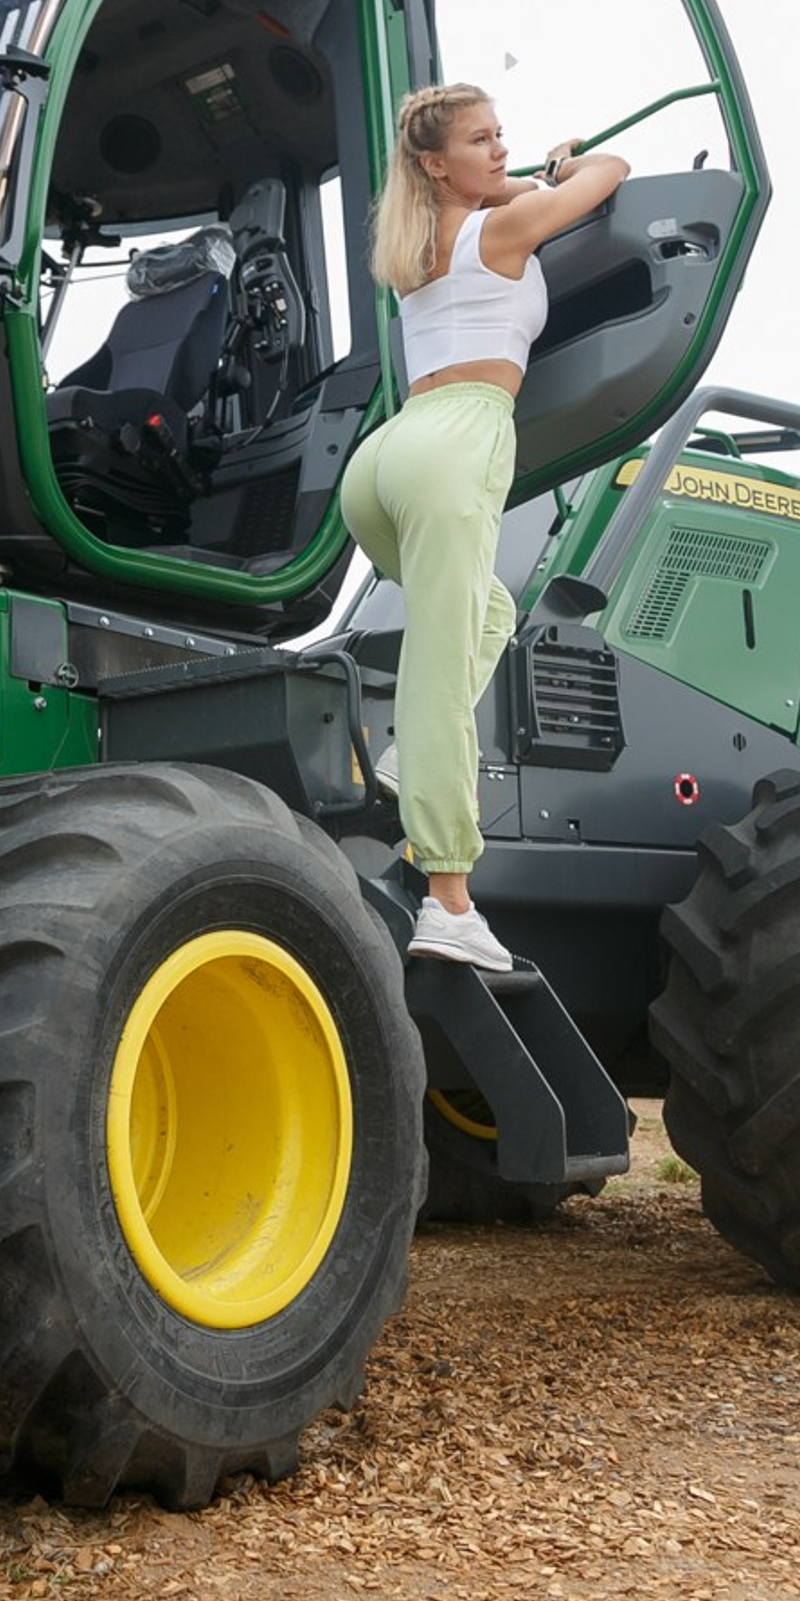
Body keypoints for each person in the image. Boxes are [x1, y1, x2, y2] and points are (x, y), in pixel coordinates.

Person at [340, 82, 627, 969]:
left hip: (381, 465)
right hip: (456, 445)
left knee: (483, 620)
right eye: (480, 140)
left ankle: (400, 765)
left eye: (502, 135)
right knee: (440, 668)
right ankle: (450, 901)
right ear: (435, 162)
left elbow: (493, 195)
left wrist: (507, 178)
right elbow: (613, 174)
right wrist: (571, 166)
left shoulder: (418, 243)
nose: (500, 150)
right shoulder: (501, 230)